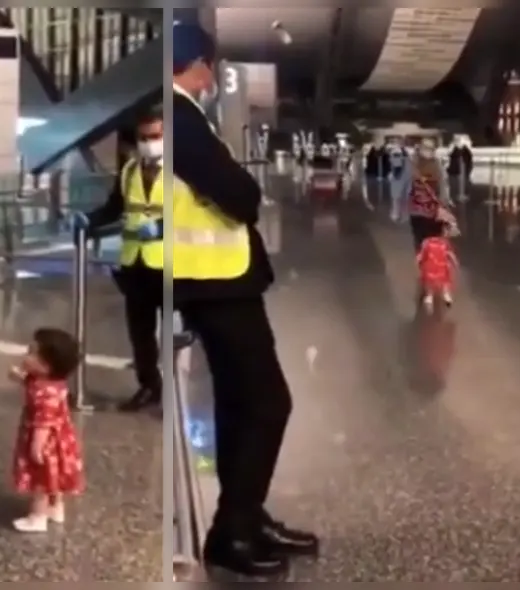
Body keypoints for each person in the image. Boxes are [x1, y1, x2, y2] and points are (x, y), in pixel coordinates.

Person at [170, 22, 318, 578]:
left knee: (240, 402)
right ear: (197, 66)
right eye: (208, 66)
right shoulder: (180, 118)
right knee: (266, 403)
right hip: (214, 284)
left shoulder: (183, 117)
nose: (211, 76)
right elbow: (240, 195)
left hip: (219, 282)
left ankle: (246, 518)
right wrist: (246, 189)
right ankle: (231, 531)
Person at [73, 106, 164, 412]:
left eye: (155, 136)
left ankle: (181, 393)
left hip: (171, 262)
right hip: (135, 262)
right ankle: (149, 386)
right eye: (144, 137)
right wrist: (89, 219)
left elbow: (194, 214)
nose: (149, 143)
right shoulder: (129, 171)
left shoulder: (184, 171)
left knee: (181, 331)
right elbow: (115, 207)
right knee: (140, 331)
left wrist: (162, 227)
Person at [8, 328, 84, 533]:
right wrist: (19, 376)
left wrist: (36, 445)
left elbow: (43, 422)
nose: (26, 355)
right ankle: (56, 508)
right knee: (53, 477)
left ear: (46, 365)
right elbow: (30, 384)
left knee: (40, 481)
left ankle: (37, 517)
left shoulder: (44, 393)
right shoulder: (52, 383)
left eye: (31, 353)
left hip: (46, 442)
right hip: (59, 442)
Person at [416, 214, 460, 311]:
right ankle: (447, 296)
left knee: (429, 285)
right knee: (445, 283)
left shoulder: (426, 242)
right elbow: (450, 254)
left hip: (429, 268)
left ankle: (429, 298)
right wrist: (455, 263)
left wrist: (419, 262)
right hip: (442, 268)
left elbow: (421, 255)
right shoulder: (444, 243)